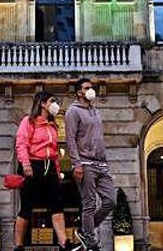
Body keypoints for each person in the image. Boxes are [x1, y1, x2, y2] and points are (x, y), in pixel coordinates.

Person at [14, 91, 72, 251]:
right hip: (33, 165)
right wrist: (25, 165)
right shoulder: (29, 121)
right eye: (52, 101)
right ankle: (18, 245)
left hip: (50, 167)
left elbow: (54, 151)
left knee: (57, 205)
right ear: (42, 103)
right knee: (27, 206)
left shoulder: (53, 125)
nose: (55, 105)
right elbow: (22, 144)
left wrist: (58, 171)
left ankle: (64, 243)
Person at [65, 78, 115, 251]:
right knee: (90, 203)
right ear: (79, 92)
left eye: (91, 87)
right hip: (85, 164)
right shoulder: (73, 112)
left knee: (110, 200)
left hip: (101, 164)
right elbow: (70, 139)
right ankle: (91, 241)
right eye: (87, 88)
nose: (91, 90)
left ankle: (85, 230)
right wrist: (76, 164)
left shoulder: (95, 111)